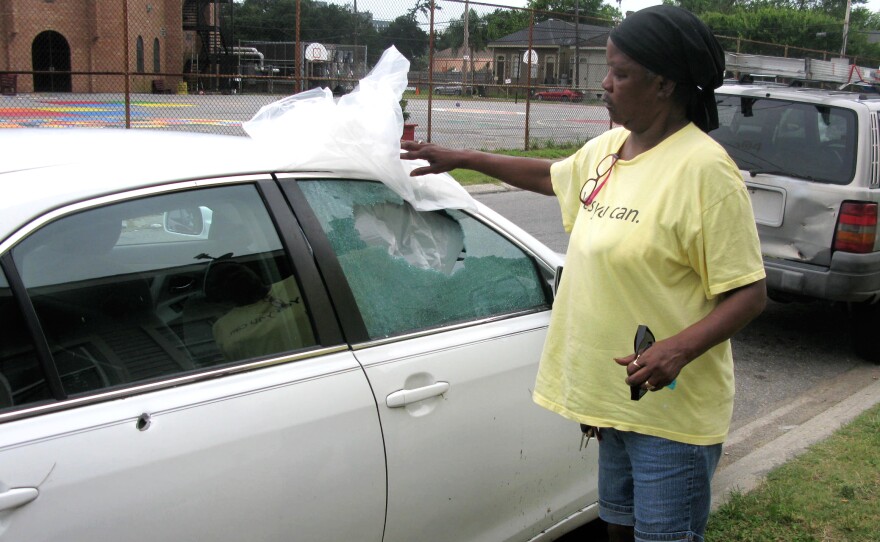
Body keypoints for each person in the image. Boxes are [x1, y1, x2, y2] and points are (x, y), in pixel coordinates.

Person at [401, 6, 767, 542]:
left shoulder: (705, 171)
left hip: (671, 418)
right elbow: (551, 177)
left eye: (620, 72)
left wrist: (677, 350)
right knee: (617, 532)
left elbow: (750, 293)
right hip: (614, 401)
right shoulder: (610, 149)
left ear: (664, 84)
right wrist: (460, 156)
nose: (605, 83)